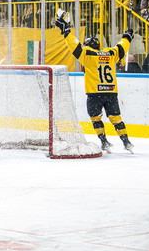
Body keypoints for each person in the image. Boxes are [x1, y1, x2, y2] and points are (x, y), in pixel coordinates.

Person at [55, 11, 134, 153]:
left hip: (94, 94)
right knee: (116, 118)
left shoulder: (87, 55)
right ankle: (126, 141)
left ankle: (104, 142)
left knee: (96, 118)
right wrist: (127, 37)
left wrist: (66, 31)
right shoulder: (110, 54)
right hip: (110, 92)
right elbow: (122, 47)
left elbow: (75, 46)